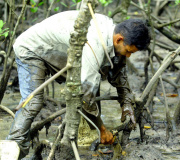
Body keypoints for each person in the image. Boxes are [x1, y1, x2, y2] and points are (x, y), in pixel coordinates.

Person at [6, 10, 151, 159]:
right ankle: (12, 146)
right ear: (119, 39)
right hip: (31, 49)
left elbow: (118, 67)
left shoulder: (110, 31)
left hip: (58, 51)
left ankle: (85, 138)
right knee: (34, 101)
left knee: (94, 77)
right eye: (128, 51)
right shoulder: (94, 44)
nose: (128, 56)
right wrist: (102, 130)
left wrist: (126, 101)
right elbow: (86, 96)